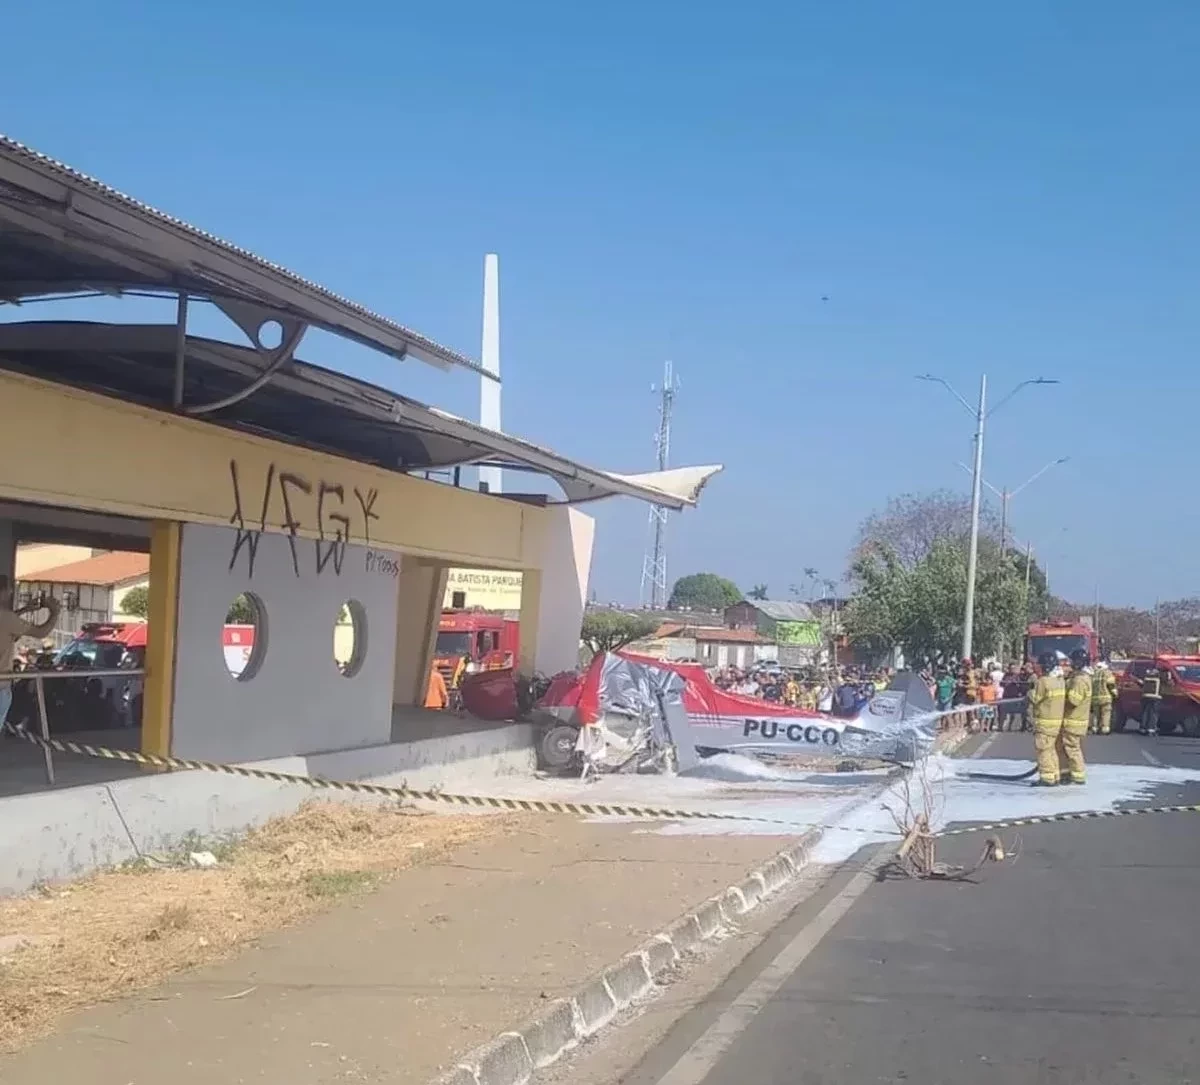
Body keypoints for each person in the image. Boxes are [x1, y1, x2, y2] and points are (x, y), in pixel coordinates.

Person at [0, 578, 60, 728]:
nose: (11, 592)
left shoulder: (8, 619)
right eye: (9, 589)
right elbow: (41, 632)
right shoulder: (7, 618)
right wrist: (54, 613)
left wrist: (25, 610)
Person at [1028, 651, 1067, 786]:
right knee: (1051, 749)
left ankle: (1046, 778)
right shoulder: (1060, 681)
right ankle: (1055, 775)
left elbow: (1036, 698)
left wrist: (1029, 693)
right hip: (1056, 722)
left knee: (1043, 750)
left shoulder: (1043, 681)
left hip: (1045, 721)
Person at [1059, 649, 1092, 784]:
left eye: (1072, 661)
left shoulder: (1079, 680)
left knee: (1072, 749)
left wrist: (1061, 695)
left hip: (1074, 721)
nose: (1070, 663)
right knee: (1066, 749)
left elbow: (1074, 700)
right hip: (1074, 720)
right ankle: (1067, 773)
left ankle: (1078, 776)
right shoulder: (1079, 678)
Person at [1090, 661, 1118, 735]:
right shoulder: (1107, 673)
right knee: (1105, 713)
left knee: (1096, 714)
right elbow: (1111, 684)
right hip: (1106, 698)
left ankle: (1094, 728)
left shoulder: (1094, 674)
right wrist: (1115, 694)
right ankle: (1104, 729)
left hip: (1095, 698)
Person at [1000, 663, 1025, 732]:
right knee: (1004, 712)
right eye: (1011, 668)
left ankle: (1010, 726)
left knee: (1012, 713)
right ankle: (1001, 726)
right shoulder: (1006, 675)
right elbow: (1001, 684)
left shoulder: (1018, 676)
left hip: (1014, 696)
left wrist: (1017, 683)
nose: (1012, 670)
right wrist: (1007, 682)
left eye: (1014, 668)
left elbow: (1021, 685)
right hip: (1006, 695)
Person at [1140, 665, 1163, 736]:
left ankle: (1143, 729)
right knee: (1154, 713)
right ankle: (1151, 729)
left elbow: (1141, 683)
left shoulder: (1146, 674)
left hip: (1145, 696)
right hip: (1155, 697)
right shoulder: (1159, 675)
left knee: (1145, 712)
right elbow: (1168, 682)